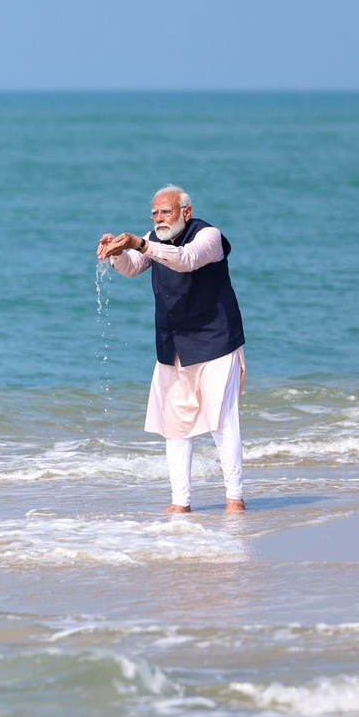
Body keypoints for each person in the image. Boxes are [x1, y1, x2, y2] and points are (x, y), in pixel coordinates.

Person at [98, 185, 247, 514]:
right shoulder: (153, 238)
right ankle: (181, 502)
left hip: (216, 341)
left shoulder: (208, 236)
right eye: (154, 213)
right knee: (175, 426)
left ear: (186, 212)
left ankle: (234, 499)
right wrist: (117, 253)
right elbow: (134, 267)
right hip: (173, 344)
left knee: (222, 422)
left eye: (166, 212)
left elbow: (186, 261)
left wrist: (140, 243)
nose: (159, 219)